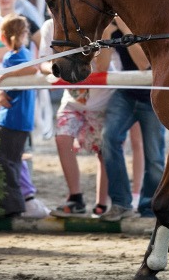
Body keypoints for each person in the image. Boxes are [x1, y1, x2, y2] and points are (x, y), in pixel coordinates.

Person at [38, 18, 115, 217]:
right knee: (62, 138)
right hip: (72, 100)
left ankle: (102, 202)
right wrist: (56, 70)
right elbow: (43, 61)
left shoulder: (95, 22)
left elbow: (104, 65)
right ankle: (75, 198)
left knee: (103, 150)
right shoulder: (49, 27)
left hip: (102, 99)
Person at [98, 17, 166, 221]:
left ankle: (149, 207)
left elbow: (144, 63)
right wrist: (107, 35)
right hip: (126, 91)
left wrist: (125, 27)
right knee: (108, 138)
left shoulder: (144, 20)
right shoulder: (114, 24)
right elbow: (102, 67)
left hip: (152, 96)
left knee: (154, 156)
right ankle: (121, 203)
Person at [0, 14, 38, 218]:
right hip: (18, 117)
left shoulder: (14, 56)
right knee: (11, 160)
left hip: (13, 118)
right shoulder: (23, 53)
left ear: (3, 36)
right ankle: (13, 202)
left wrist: (5, 75)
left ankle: (12, 203)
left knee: (2, 159)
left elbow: (32, 69)